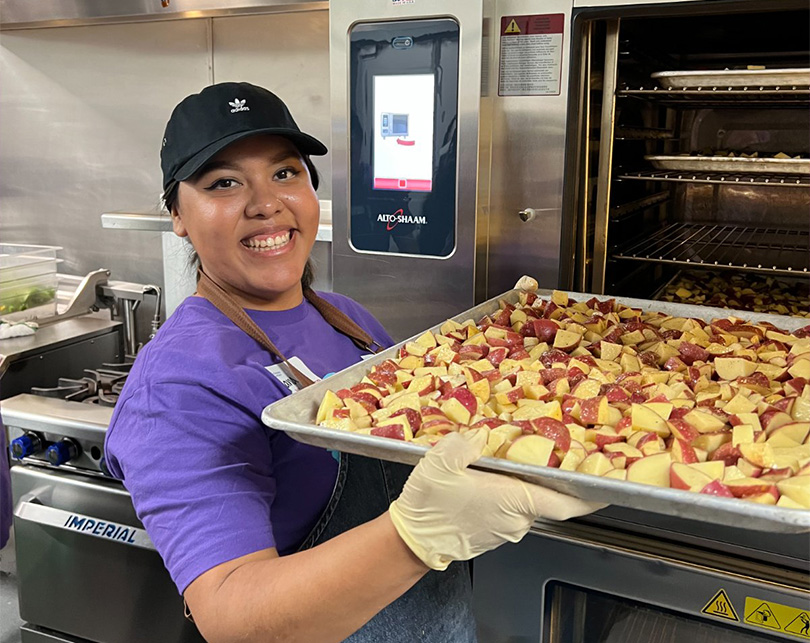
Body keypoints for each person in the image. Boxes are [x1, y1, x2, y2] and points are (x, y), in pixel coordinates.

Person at [104, 82, 600, 643]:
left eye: (285, 173)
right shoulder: (178, 382)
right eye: (224, 182)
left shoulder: (347, 318)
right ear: (177, 215)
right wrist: (416, 535)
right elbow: (231, 617)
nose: (266, 202)